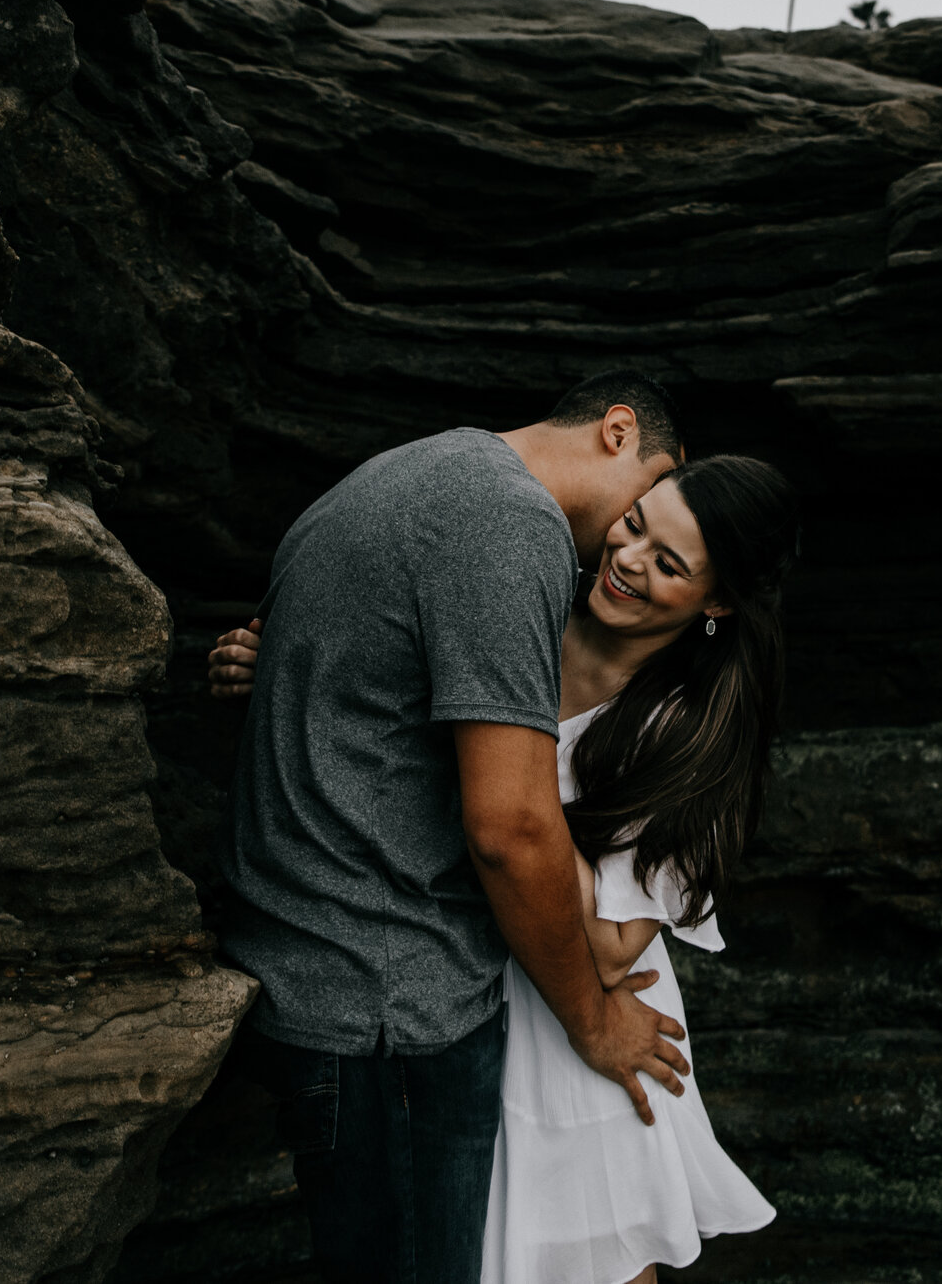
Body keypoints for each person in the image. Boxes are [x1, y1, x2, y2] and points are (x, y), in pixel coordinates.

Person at [212, 453, 799, 1284]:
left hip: (576, 1027)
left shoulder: (688, 736)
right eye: (633, 528)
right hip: (453, 992)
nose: (628, 562)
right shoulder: (521, 605)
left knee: (598, 1261)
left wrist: (505, 787)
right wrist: (286, 668)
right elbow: (384, 687)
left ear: (718, 602)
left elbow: (606, 945)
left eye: (668, 565)